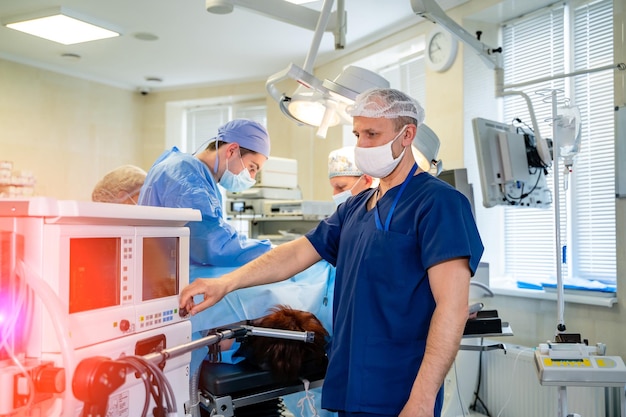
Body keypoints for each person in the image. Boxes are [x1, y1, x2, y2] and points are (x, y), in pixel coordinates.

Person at [180, 88, 484, 417]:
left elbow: (451, 308)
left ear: (407, 134)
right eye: (357, 134)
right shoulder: (356, 207)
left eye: (372, 134)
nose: (362, 145)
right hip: (351, 384)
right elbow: (293, 256)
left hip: (401, 388)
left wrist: (422, 400)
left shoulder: (440, 203)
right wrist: (226, 283)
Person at [138, 119, 272, 266]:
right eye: (252, 168)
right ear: (231, 150)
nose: (251, 178)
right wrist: (271, 253)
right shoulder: (185, 176)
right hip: (166, 279)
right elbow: (212, 244)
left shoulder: (191, 172)